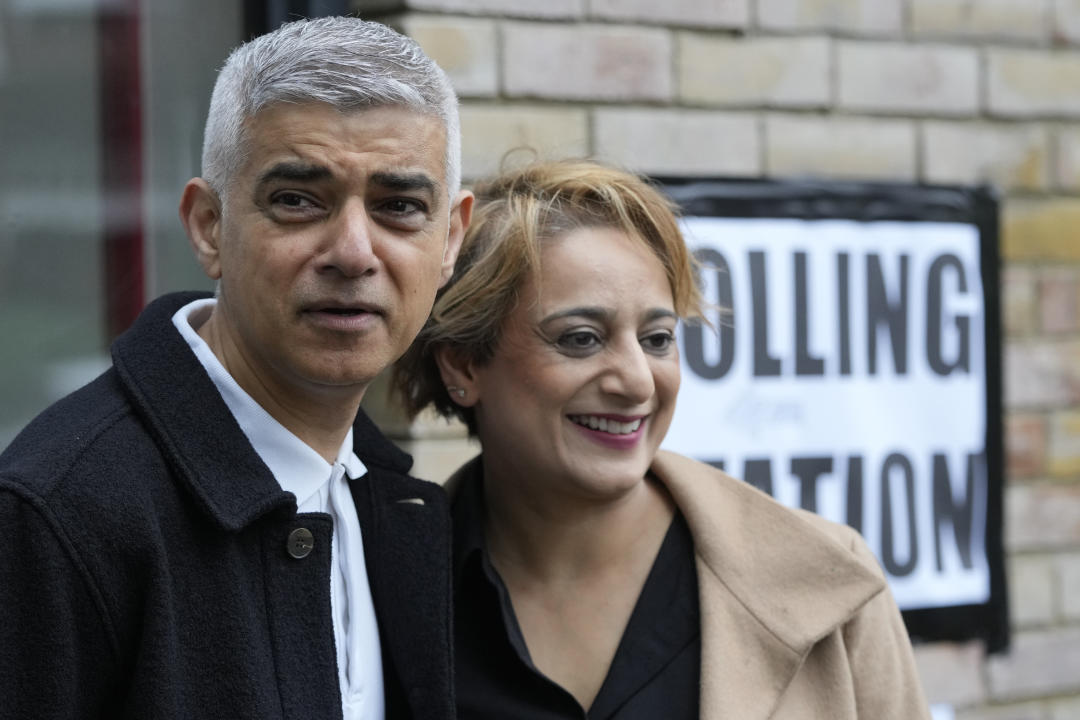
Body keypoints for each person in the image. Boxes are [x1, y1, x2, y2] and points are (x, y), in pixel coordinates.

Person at [0, 16, 472, 720]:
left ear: (450, 240)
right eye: (297, 200)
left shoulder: (397, 506)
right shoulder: (57, 516)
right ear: (208, 226)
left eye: (399, 207)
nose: (352, 250)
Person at [394, 159, 931, 719]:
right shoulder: (386, 592)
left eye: (657, 339)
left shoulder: (830, 579)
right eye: (580, 338)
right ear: (462, 366)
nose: (637, 380)